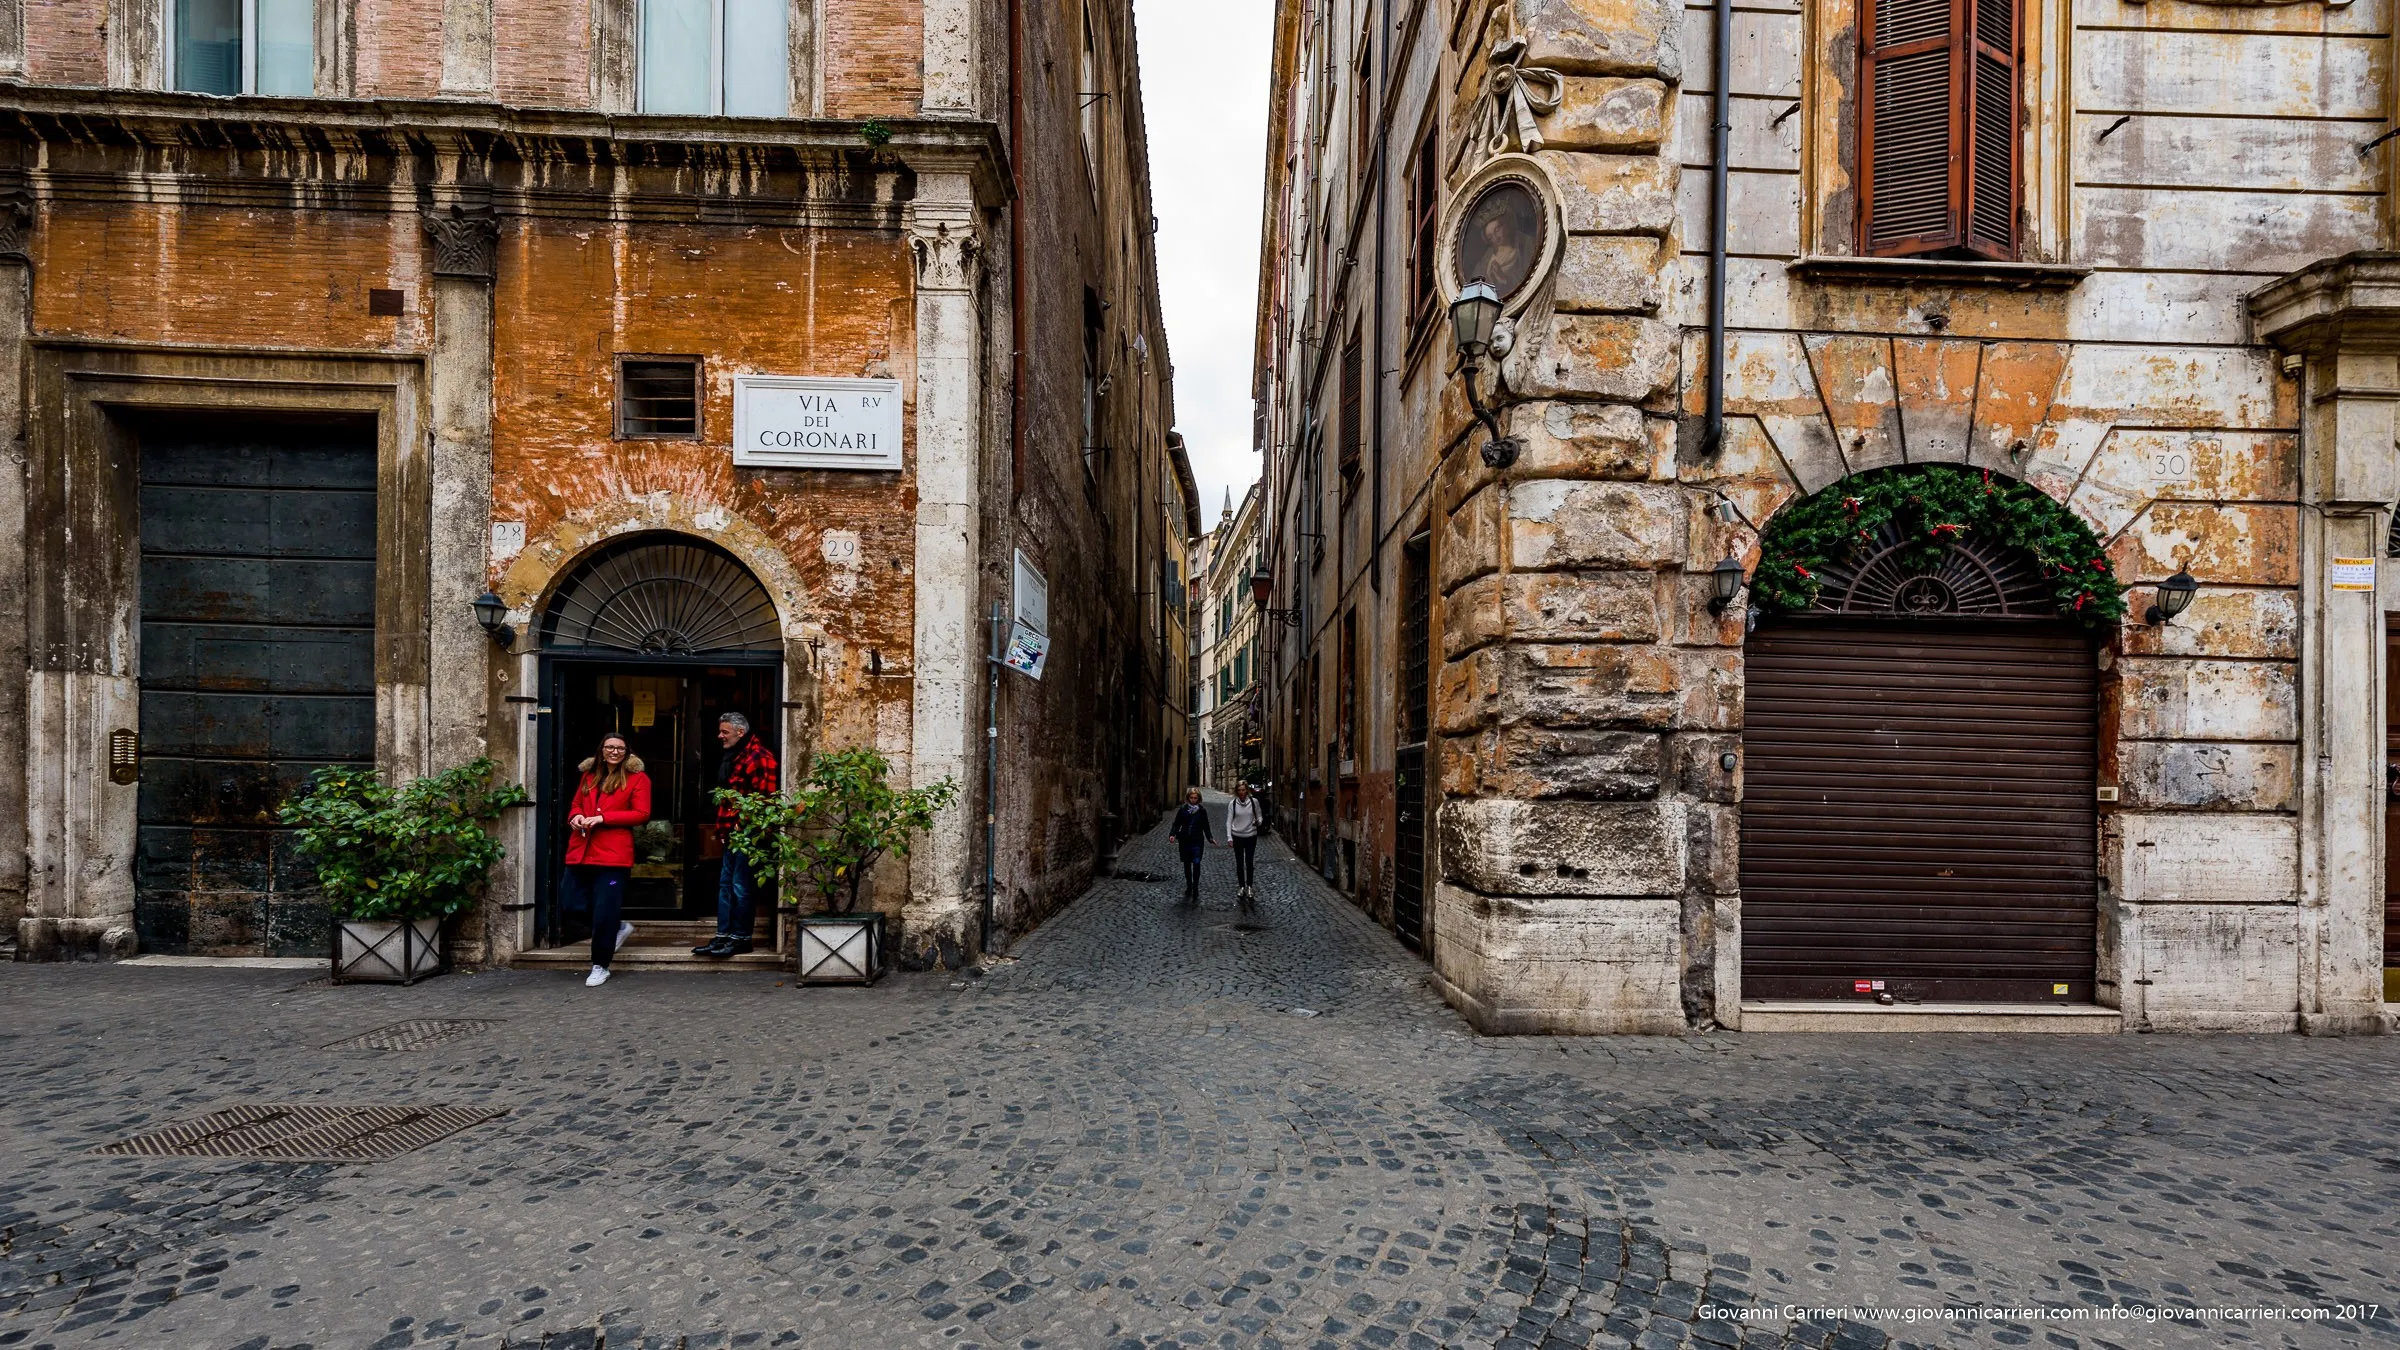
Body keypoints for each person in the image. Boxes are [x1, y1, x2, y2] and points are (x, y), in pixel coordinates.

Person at [562, 732, 651, 987]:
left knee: (604, 911)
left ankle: (600, 965)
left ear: (627, 752)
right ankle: (618, 927)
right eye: (610, 747)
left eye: (620, 748)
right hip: (580, 849)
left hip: (613, 855)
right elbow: (576, 804)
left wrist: (604, 818)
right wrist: (576, 817)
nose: (614, 752)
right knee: (570, 903)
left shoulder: (637, 779)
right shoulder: (589, 777)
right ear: (601, 750)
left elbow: (641, 813)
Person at [697, 711, 778, 958]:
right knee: (726, 886)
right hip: (732, 833)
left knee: (741, 887)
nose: (719, 736)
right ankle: (723, 936)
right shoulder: (735, 756)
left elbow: (764, 801)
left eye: (725, 732)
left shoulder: (759, 758)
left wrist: (745, 829)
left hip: (747, 835)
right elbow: (728, 798)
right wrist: (724, 830)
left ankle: (741, 938)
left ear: (740, 732)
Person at [1167, 787, 1214, 905]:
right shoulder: (1183, 810)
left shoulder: (1202, 811)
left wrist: (1210, 838)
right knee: (1187, 864)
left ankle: (1195, 886)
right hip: (1185, 841)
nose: (1193, 800)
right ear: (1188, 798)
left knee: (1197, 863)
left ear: (1198, 799)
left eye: (1195, 798)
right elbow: (1176, 824)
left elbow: (1205, 826)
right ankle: (1189, 885)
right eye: (1191, 798)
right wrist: (1172, 834)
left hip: (1197, 841)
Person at [1226, 781, 1262, 916]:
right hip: (1237, 836)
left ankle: (1250, 887)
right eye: (1239, 790)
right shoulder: (1233, 804)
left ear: (1247, 791)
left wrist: (1258, 822)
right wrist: (1229, 837)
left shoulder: (1254, 802)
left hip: (1251, 835)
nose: (1241, 792)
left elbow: (1259, 816)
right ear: (1237, 791)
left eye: (1243, 790)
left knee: (1250, 862)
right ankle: (1241, 886)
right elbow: (1229, 820)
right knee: (1240, 863)